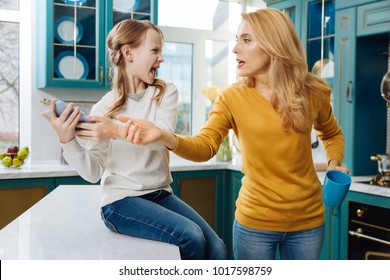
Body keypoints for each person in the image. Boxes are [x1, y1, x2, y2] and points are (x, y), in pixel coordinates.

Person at [105, 9, 350, 260]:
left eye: (246, 40)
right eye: (236, 40)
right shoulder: (232, 97)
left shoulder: (313, 92)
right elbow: (204, 147)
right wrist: (164, 136)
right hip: (255, 223)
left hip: (308, 223)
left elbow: (331, 134)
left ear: (273, 44)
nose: (235, 49)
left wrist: (334, 163)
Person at [42, 19, 226, 260]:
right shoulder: (103, 108)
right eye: (155, 50)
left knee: (218, 247)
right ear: (129, 52)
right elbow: (93, 172)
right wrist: (68, 141)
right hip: (120, 202)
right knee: (189, 235)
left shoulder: (165, 92)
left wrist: (114, 129)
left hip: (160, 194)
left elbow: (160, 135)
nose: (161, 58)